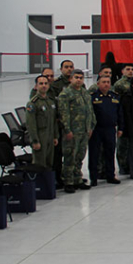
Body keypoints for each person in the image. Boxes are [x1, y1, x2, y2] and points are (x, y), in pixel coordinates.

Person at [57, 70, 95, 193]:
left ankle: (77, 178)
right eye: (76, 77)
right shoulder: (66, 94)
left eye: (81, 78)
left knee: (80, 155)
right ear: (71, 79)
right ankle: (68, 181)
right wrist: (67, 130)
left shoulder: (85, 93)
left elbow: (90, 111)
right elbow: (64, 114)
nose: (78, 80)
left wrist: (90, 127)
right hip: (72, 131)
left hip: (84, 130)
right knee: (70, 156)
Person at [89, 75, 122, 186]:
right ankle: (93, 177)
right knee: (94, 154)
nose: (106, 84)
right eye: (103, 82)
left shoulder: (115, 97)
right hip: (96, 130)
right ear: (98, 84)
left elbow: (119, 113)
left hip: (110, 129)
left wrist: (120, 127)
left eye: (108, 82)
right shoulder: (92, 97)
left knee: (110, 152)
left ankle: (110, 175)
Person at [49, 59, 74, 188]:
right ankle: (58, 178)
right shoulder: (56, 86)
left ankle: (72, 176)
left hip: (75, 124)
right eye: (66, 67)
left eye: (71, 67)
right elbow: (54, 104)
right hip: (61, 125)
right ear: (61, 69)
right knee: (58, 154)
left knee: (73, 153)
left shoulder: (76, 83)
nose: (69, 69)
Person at [26, 75, 58, 169]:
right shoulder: (33, 103)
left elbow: (54, 121)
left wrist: (55, 136)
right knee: (39, 165)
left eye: (46, 83)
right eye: (41, 83)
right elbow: (31, 124)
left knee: (49, 163)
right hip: (41, 137)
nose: (44, 86)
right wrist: (35, 140)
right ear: (36, 86)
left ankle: (47, 183)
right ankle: (39, 184)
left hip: (50, 136)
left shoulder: (50, 102)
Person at [113, 64, 133, 173]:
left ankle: (131, 163)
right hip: (123, 115)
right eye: (128, 69)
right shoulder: (119, 84)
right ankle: (122, 165)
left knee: (132, 142)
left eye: (132, 69)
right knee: (123, 143)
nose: (130, 71)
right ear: (123, 71)